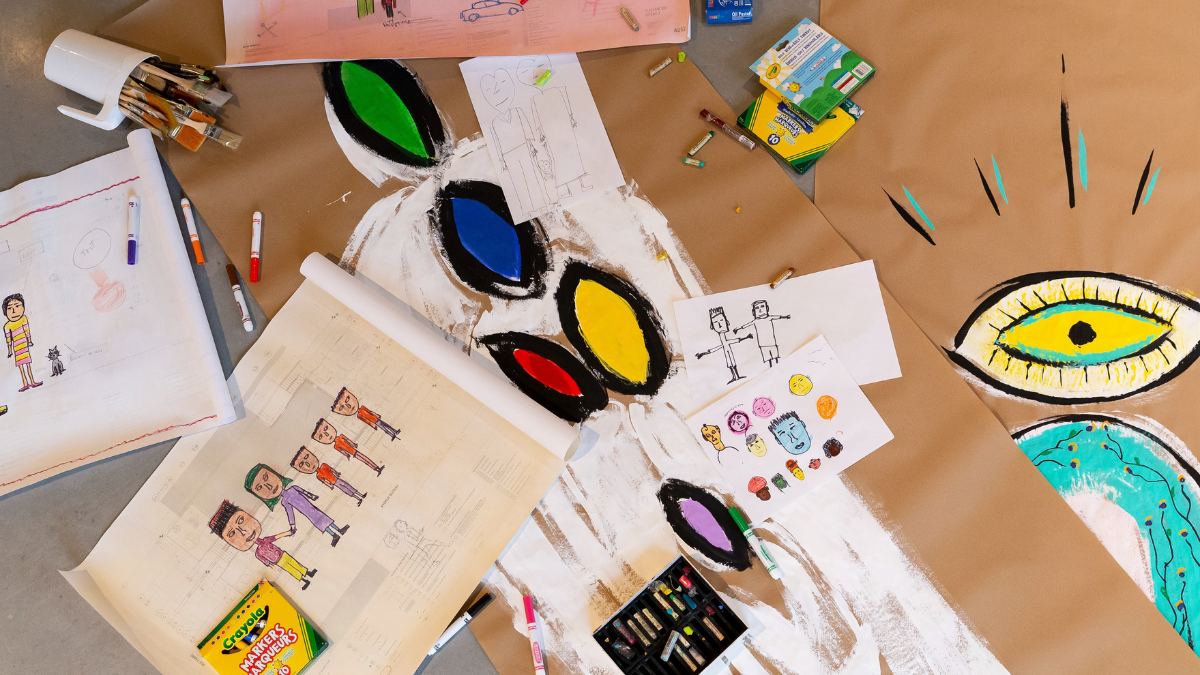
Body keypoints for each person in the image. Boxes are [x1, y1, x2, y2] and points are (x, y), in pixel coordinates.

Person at [209, 500, 317, 590]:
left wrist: (288, 533)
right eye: (232, 534)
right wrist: (272, 567)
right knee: (291, 569)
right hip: (278, 561)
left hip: (282, 554)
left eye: (241, 520)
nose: (244, 532)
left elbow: (276, 537)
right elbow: (266, 561)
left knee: (294, 564)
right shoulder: (258, 552)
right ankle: (304, 580)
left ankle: (307, 572)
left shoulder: (265, 540)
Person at [244, 464, 350, 546]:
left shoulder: (293, 488)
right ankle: (334, 534)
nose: (268, 486)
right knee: (319, 522)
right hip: (308, 513)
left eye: (266, 477)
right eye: (260, 488)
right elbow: (290, 513)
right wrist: (292, 525)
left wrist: (312, 496)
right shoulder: (284, 501)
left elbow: (304, 492)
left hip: (312, 508)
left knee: (323, 518)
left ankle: (338, 530)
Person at [291, 447, 367, 506]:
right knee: (345, 490)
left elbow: (331, 469)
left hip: (337, 479)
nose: (308, 464)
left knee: (348, 486)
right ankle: (358, 498)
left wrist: (336, 473)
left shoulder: (324, 465)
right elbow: (325, 481)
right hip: (335, 483)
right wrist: (330, 485)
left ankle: (361, 495)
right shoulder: (318, 475)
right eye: (302, 464)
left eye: (307, 456)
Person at [695, 307, 752, 383]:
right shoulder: (722, 340)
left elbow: (731, 341)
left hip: (728, 350)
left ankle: (736, 376)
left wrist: (746, 337)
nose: (719, 324)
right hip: (726, 350)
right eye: (715, 322)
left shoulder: (725, 339)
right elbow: (722, 345)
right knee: (730, 364)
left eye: (721, 320)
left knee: (732, 363)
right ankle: (735, 377)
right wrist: (703, 353)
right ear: (712, 326)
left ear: (726, 322)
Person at [312, 419, 385, 475]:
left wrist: (353, 444)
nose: (327, 435)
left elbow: (348, 441)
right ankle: (377, 469)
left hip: (355, 451)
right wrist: (347, 454)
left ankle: (377, 468)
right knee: (365, 460)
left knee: (366, 459)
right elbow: (343, 451)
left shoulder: (341, 437)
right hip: (354, 453)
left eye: (326, 429)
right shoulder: (336, 446)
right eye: (321, 436)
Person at [733, 300, 791, 367]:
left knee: (775, 357)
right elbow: (746, 325)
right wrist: (738, 329)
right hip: (763, 344)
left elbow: (778, 317)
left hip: (772, 342)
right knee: (769, 359)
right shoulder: (756, 321)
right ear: (753, 312)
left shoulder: (769, 317)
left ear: (767, 308)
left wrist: (785, 317)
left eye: (762, 306)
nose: (760, 310)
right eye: (757, 308)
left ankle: (778, 367)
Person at [4, 294, 42, 392]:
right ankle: (25, 384)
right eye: (10, 308)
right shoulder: (7, 326)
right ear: (5, 311)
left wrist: (30, 341)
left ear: (23, 307)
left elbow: (27, 331)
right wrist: (9, 351)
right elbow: (8, 340)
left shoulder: (24, 319)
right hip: (16, 349)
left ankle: (32, 381)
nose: (14, 311)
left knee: (28, 363)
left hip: (24, 346)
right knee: (21, 366)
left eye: (17, 306)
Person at [331, 387, 399, 441]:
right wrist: (373, 425)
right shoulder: (359, 415)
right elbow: (367, 421)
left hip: (376, 419)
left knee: (386, 425)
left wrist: (376, 415)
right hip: (375, 422)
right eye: (342, 407)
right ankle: (391, 434)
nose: (348, 406)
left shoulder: (362, 408)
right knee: (384, 429)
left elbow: (370, 411)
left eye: (348, 399)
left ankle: (395, 431)